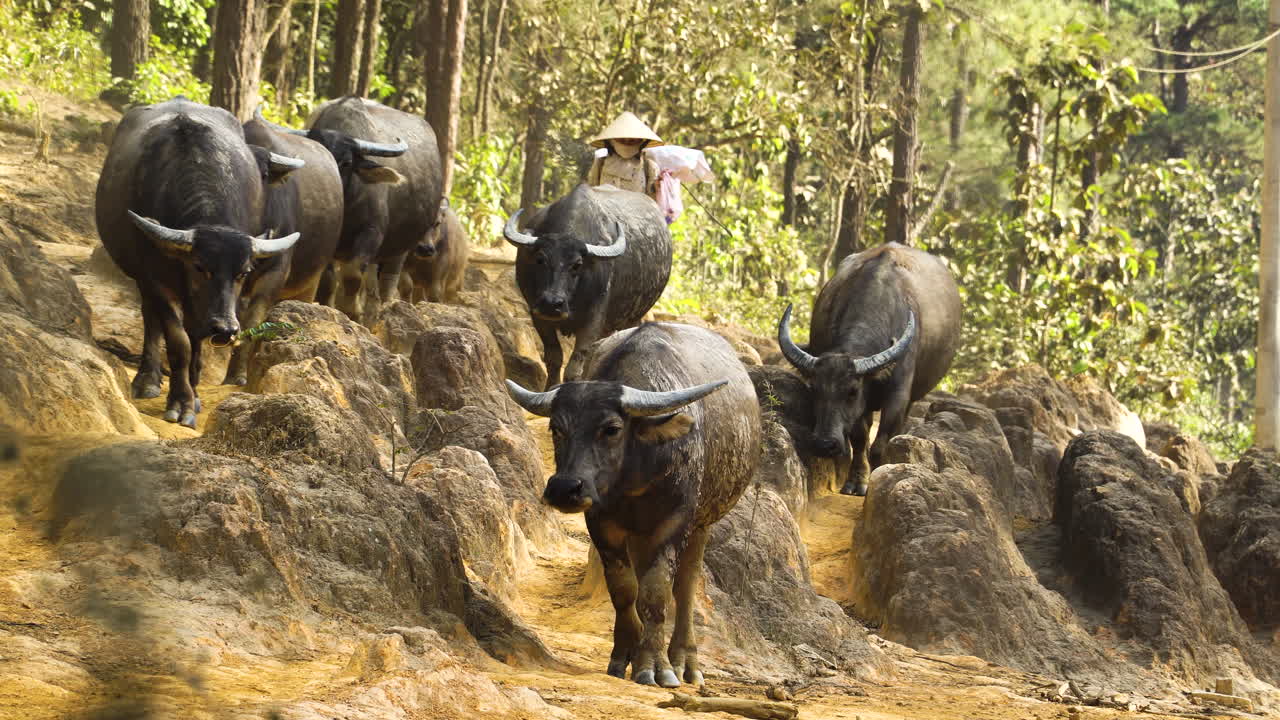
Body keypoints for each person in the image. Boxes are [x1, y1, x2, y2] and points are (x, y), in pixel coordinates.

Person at [586, 111, 663, 199]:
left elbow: (652, 202)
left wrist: (658, 188)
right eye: (621, 140)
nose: (626, 144)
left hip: (635, 212)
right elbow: (591, 192)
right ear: (611, 141)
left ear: (641, 142)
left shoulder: (649, 167)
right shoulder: (600, 163)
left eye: (632, 141)